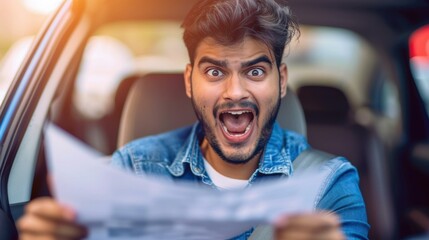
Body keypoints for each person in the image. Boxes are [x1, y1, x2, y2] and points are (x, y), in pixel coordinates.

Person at [17, 0, 369, 239]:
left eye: (256, 71)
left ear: (281, 81)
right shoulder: (133, 169)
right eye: (215, 71)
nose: (234, 92)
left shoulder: (328, 184)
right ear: (189, 81)